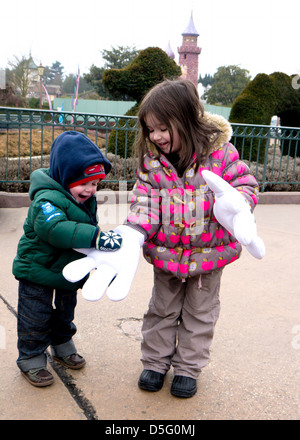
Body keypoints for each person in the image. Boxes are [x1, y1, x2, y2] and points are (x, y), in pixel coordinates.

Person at [125, 78, 260, 398]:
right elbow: (144, 201)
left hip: (209, 254)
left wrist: (238, 204)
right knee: (161, 309)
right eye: (149, 130)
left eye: (162, 128)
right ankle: (155, 362)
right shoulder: (152, 163)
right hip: (166, 253)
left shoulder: (222, 154)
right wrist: (134, 231)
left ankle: (187, 368)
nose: (155, 137)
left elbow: (245, 184)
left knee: (200, 312)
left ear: (185, 119)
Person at [12, 131, 122, 387]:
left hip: (67, 271)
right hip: (36, 271)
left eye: (95, 183)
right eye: (84, 182)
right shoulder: (46, 200)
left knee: (64, 313)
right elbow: (56, 230)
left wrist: (105, 258)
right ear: (65, 176)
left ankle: (62, 345)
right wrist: (96, 237)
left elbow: (82, 237)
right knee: (34, 316)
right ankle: (31, 357)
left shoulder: (84, 199)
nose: (90, 189)